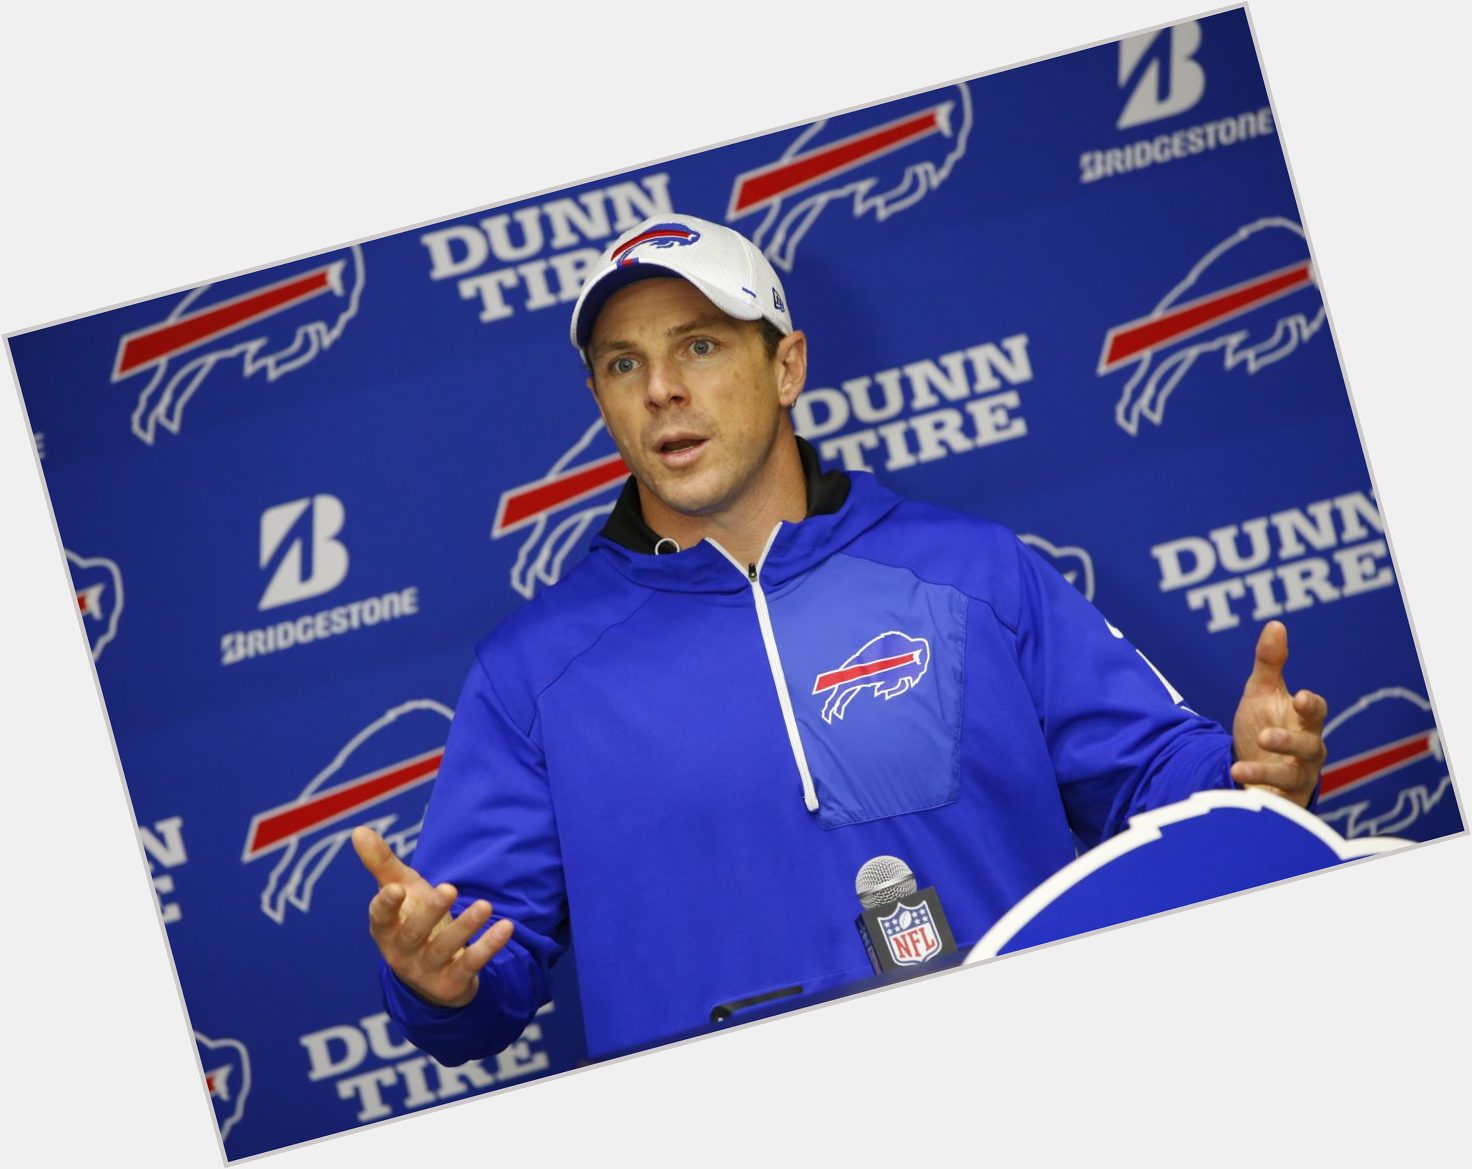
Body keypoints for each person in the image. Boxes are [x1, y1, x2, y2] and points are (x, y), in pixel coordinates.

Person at [351, 214, 1328, 1064]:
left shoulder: (973, 573)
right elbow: (479, 964)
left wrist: (1248, 774)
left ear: (786, 365)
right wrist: (437, 979)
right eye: (623, 363)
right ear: (601, 399)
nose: (661, 389)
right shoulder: (532, 672)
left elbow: (1154, 775)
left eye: (699, 345)